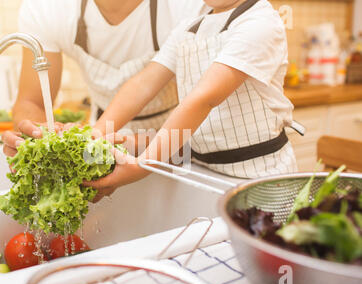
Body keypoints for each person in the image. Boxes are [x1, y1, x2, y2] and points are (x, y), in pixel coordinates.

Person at [84, 0, 299, 202]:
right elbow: (144, 83)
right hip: (203, 173)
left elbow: (203, 99)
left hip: (259, 178)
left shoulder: (260, 23)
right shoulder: (191, 24)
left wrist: (143, 165)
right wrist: (96, 134)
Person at [2, 0, 210, 157]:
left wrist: (137, 148)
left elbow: (212, 105)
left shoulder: (189, 5)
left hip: (180, 137)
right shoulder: (48, 7)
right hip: (100, 135)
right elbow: (30, 101)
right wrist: (37, 140)